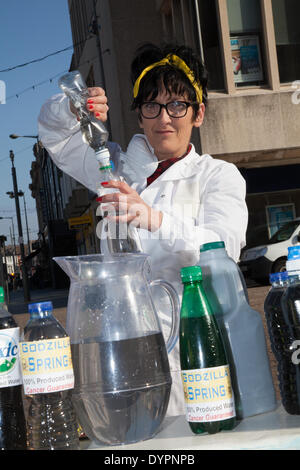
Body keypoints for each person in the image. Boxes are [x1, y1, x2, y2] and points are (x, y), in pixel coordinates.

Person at [38, 43, 248, 416]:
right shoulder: (114, 171)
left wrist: (154, 219)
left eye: (177, 105)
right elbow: (57, 140)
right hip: (126, 355)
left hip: (195, 356)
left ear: (198, 113)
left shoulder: (218, 176)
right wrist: (71, 107)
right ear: (139, 115)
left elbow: (224, 247)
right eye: (152, 106)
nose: (164, 118)